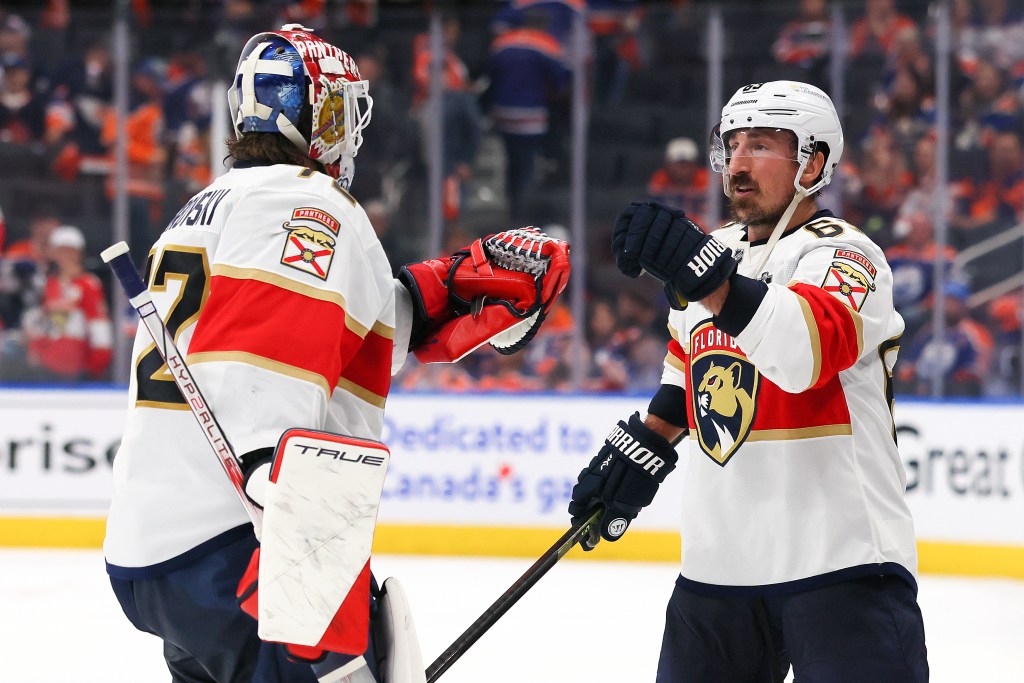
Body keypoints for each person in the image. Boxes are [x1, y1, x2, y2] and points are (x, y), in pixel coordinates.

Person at [103, 25, 570, 683]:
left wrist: (441, 294)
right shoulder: (314, 203)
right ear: (316, 113)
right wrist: (284, 499)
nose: (351, 129)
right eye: (343, 109)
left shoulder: (206, 207)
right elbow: (260, 364)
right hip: (242, 543)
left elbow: (323, 336)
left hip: (152, 549)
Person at [569, 80, 928, 681]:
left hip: (841, 563)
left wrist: (708, 279)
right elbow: (687, 373)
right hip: (719, 568)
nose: (737, 163)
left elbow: (807, 350)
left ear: (812, 162)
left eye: (760, 145)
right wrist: (641, 449)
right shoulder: (717, 253)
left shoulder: (848, 257)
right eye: (732, 145)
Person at [20, 224, 112, 382]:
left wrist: (93, 369)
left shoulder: (88, 285)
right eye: (61, 251)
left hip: (75, 369)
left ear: (79, 254)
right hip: (44, 366)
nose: (66, 256)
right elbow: (33, 323)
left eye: (71, 251)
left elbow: (100, 331)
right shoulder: (47, 284)